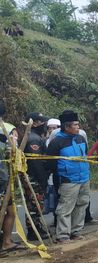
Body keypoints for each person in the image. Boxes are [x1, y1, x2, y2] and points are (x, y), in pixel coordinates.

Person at [46, 110, 90, 243]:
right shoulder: (57, 142)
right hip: (68, 180)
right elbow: (51, 163)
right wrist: (62, 173)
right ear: (67, 126)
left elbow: (86, 155)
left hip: (84, 178)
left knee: (81, 204)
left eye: (78, 124)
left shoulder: (80, 138)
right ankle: (63, 235)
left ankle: (76, 231)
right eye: (75, 125)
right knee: (65, 207)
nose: (78, 127)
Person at [24, 112, 50, 240]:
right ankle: (34, 230)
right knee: (34, 203)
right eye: (41, 122)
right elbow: (36, 162)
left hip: (34, 176)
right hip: (34, 177)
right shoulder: (33, 138)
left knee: (35, 203)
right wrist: (42, 179)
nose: (44, 124)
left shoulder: (35, 136)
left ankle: (36, 228)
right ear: (33, 123)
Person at [0, 102, 20, 253]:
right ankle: (6, 241)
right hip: (2, 177)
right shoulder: (7, 129)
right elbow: (14, 151)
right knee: (10, 211)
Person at [44, 118, 61, 219]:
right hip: (50, 176)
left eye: (54, 128)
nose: (51, 130)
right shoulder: (45, 142)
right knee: (53, 200)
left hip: (61, 173)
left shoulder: (62, 141)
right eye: (50, 128)